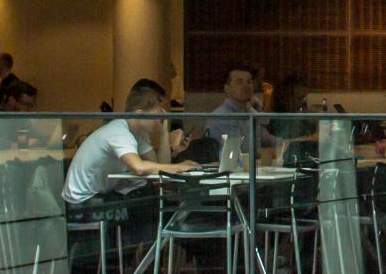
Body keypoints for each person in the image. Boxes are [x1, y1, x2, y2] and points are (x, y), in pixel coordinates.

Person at [62, 81, 194, 208]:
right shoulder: (119, 132)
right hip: (81, 202)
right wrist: (181, 167)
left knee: (148, 193)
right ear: (141, 114)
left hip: (98, 195)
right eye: (158, 114)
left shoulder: (139, 134)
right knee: (146, 202)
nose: (160, 118)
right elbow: (139, 167)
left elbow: (159, 171)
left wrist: (164, 131)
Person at [201, 63, 274, 155]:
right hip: (228, 168)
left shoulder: (248, 112)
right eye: (239, 82)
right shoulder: (222, 116)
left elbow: (266, 139)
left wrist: (292, 141)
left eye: (249, 82)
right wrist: (273, 152)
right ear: (227, 89)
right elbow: (244, 151)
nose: (246, 86)